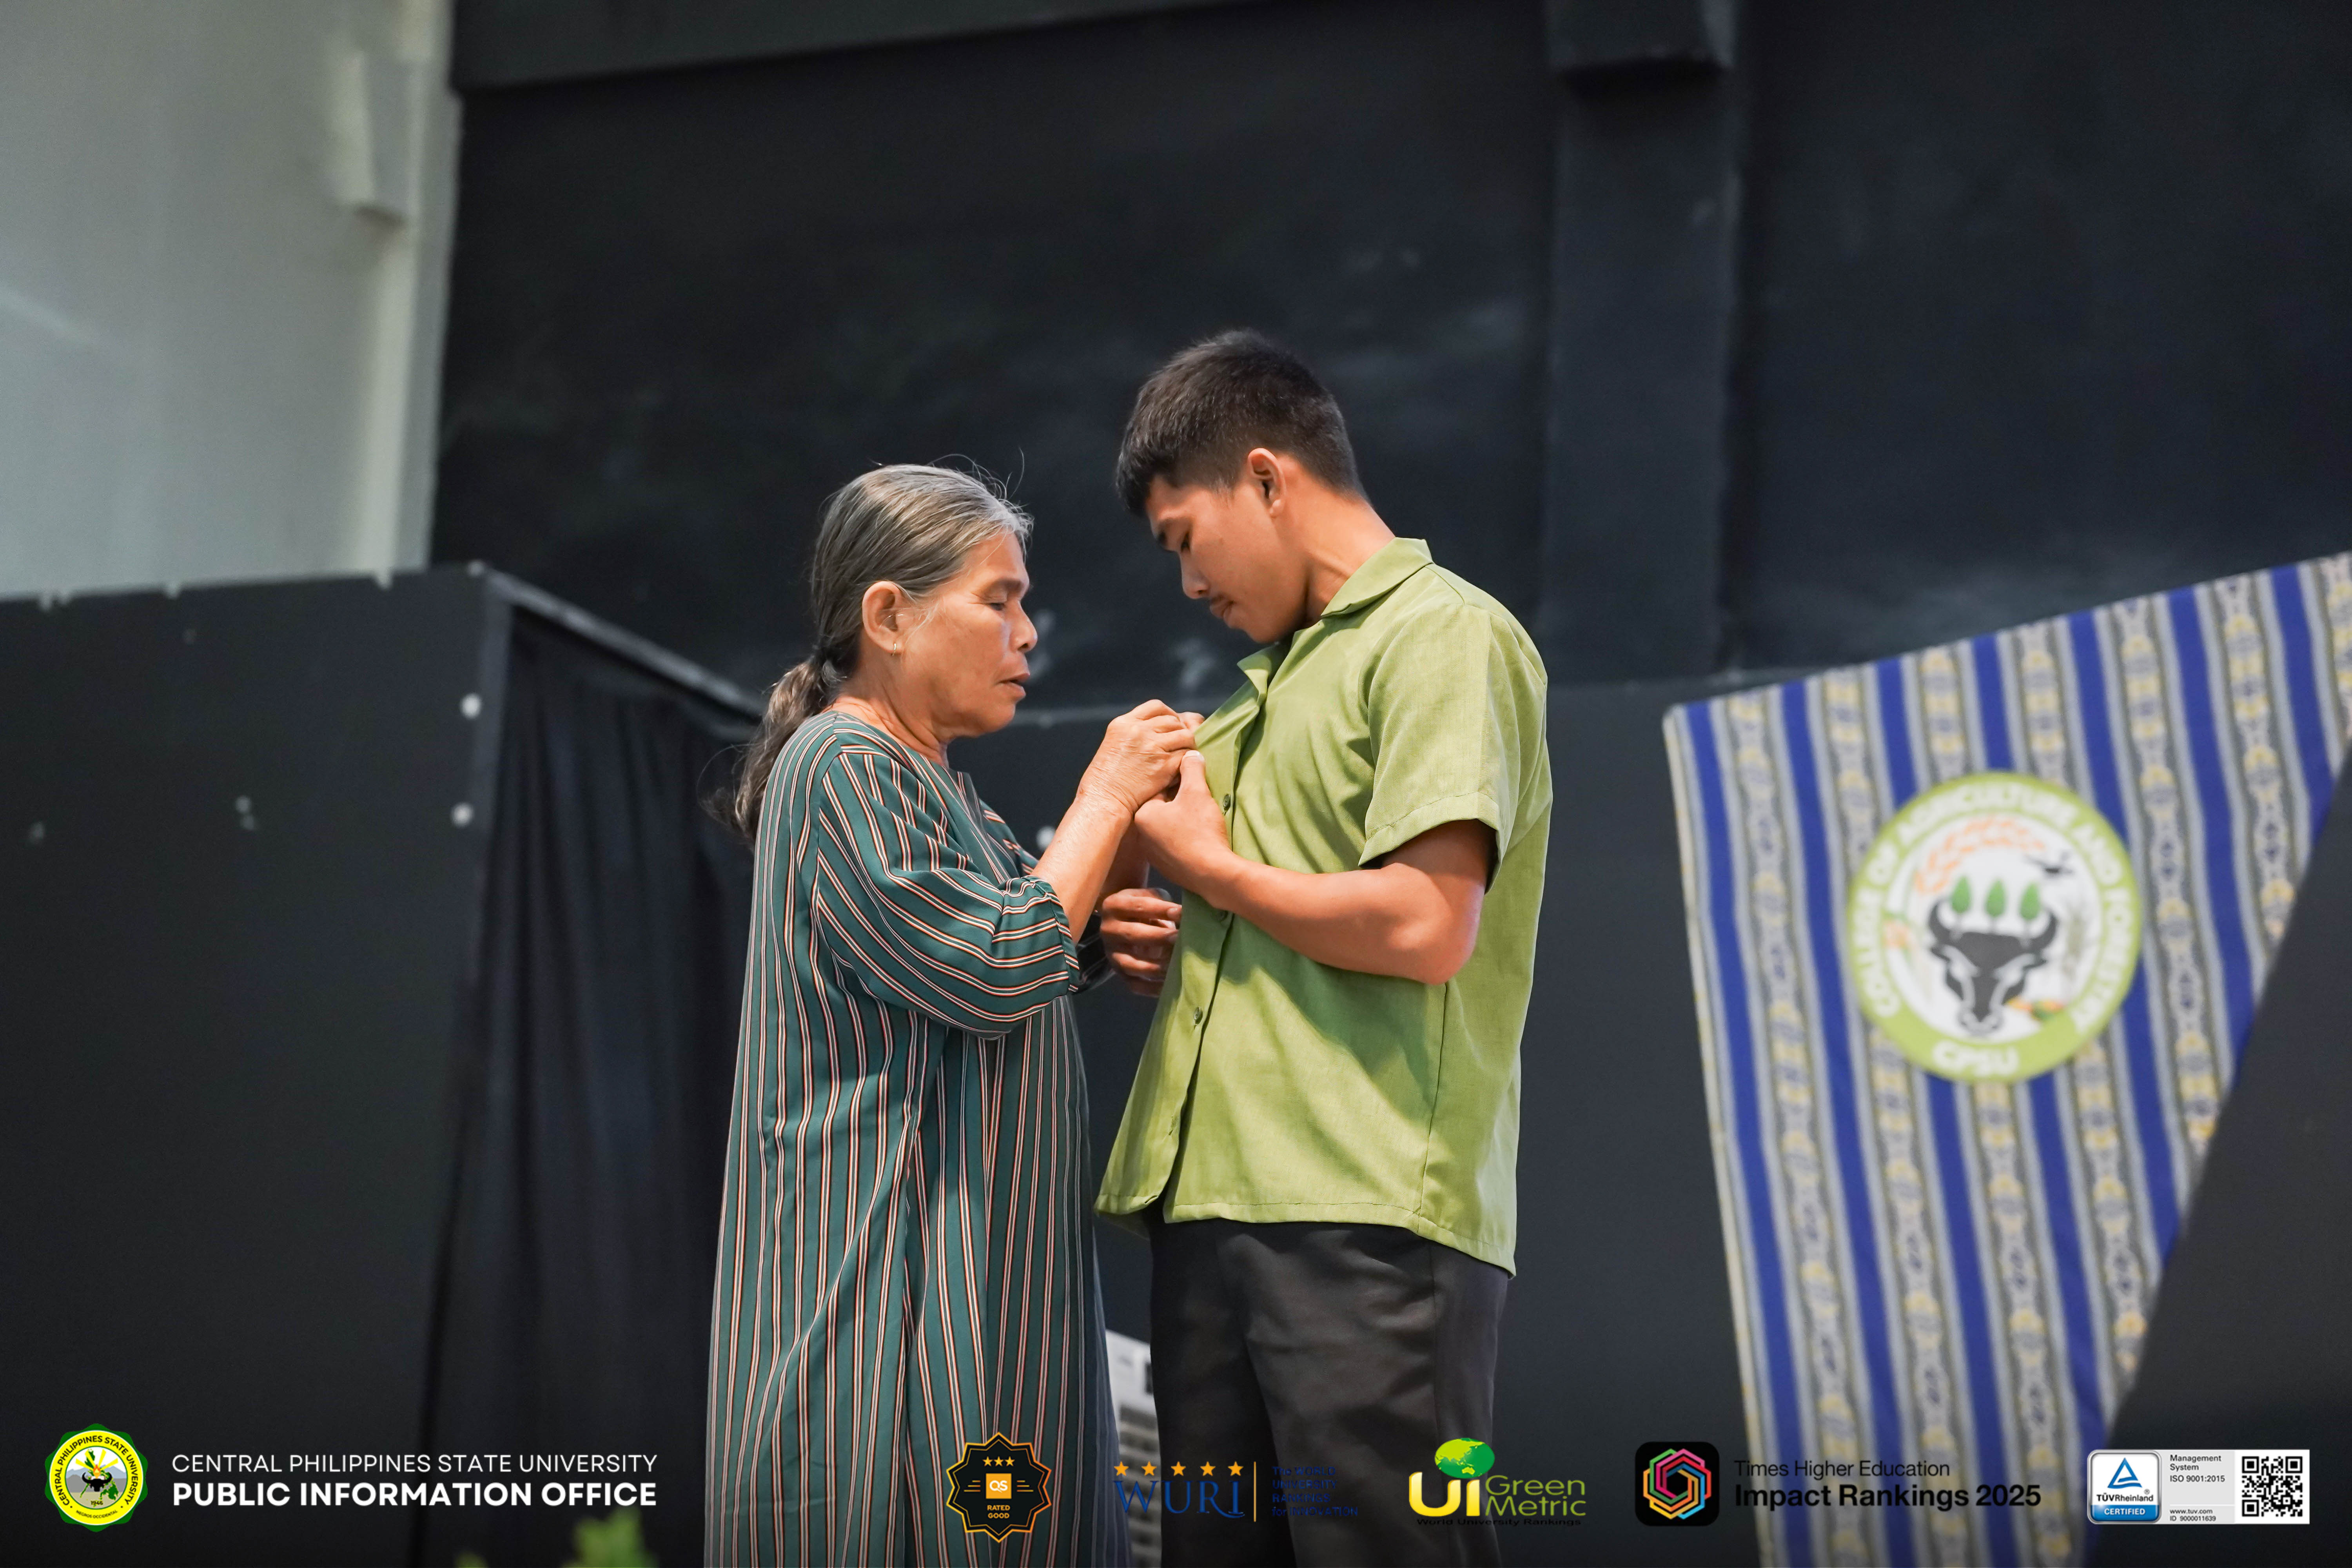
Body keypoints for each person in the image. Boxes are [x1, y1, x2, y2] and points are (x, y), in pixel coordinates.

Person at [1094, 333, 1553, 1568]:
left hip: (1363, 1218)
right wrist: (1168, 925)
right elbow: (1269, 908)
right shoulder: (1264, 688)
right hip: (1208, 1213)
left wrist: (1213, 873)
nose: (1186, 583)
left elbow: (1423, 925)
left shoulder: (1445, 635)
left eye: (1184, 539)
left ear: (1266, 478)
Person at [706, 465, 1193, 1567]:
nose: (1028, 633)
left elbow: (1024, 947)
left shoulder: (947, 791)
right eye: (998, 600)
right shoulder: (839, 763)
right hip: (881, 1318)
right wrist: (1106, 796)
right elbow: (994, 967)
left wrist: (1111, 908)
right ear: (889, 616)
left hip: (982, 1307)